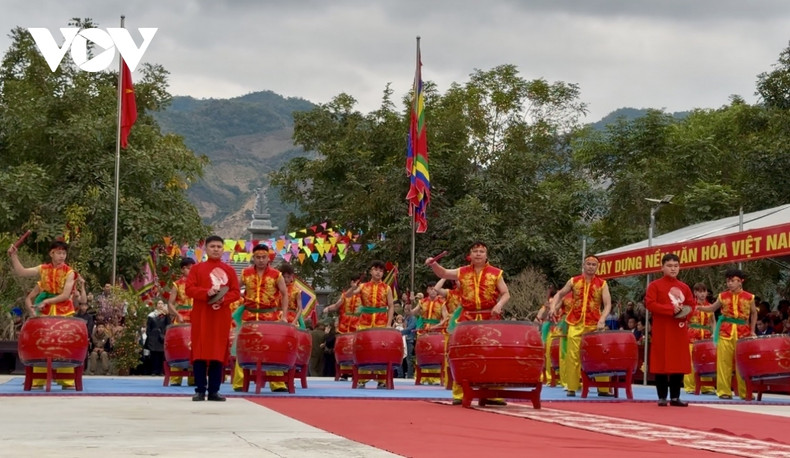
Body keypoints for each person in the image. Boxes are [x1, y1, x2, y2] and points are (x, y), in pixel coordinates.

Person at [426, 241, 510, 405]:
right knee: (462, 354)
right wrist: (433, 264)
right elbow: (443, 273)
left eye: (481, 251)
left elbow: (506, 293)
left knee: (491, 354)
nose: (478, 254)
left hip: (489, 318)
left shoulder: (496, 273)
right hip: (467, 318)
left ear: (486, 255)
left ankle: (492, 394)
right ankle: (459, 393)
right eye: (475, 251)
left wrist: (499, 305)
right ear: (470, 255)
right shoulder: (462, 272)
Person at [8, 239, 77, 388]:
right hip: (44, 311)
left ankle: (66, 379)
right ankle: (38, 379)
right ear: (51, 253)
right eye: (59, 252)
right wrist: (14, 256)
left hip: (63, 310)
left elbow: (65, 295)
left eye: (64, 253)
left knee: (63, 343)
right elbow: (22, 272)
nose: (62, 256)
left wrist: (47, 302)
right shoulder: (43, 269)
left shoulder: (70, 272)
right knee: (42, 343)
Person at [185, 235, 241, 401]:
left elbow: (236, 292)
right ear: (206, 249)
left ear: (223, 250)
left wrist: (223, 299)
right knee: (200, 352)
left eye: (219, 246)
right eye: (212, 246)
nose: (216, 249)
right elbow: (189, 289)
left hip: (220, 316)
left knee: (218, 352)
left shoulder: (229, 270)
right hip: (201, 316)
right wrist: (206, 293)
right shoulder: (197, 269)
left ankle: (214, 391)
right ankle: (200, 390)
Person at [548, 255, 612, 397]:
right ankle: (572, 387)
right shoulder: (574, 281)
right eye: (588, 264)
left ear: (597, 267)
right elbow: (559, 294)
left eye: (593, 265)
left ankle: (603, 388)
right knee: (572, 356)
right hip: (575, 323)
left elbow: (607, 304)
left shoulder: (602, 284)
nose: (590, 267)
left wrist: (602, 319)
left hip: (594, 324)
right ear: (583, 265)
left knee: (599, 355)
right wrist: (553, 307)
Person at [231, 243, 288, 392]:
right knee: (243, 348)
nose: (261, 260)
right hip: (248, 315)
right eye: (258, 257)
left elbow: (284, 294)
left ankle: (277, 383)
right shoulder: (245, 273)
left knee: (273, 348)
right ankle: (239, 382)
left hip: (270, 316)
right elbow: (234, 289)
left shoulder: (277, 275)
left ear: (268, 258)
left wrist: (285, 315)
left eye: (264, 257)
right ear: (253, 258)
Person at [696, 269, 757, 399]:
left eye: (732, 281)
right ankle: (724, 392)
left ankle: (745, 392)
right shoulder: (722, 296)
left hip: (743, 333)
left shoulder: (749, 297)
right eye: (728, 281)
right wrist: (699, 307)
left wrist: (752, 330)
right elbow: (712, 308)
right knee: (724, 362)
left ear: (740, 282)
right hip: (725, 331)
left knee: (742, 364)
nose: (729, 284)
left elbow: (754, 313)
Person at [645, 253, 696, 407]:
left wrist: (684, 314)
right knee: (661, 361)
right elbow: (650, 304)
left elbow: (691, 306)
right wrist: (670, 309)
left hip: (679, 330)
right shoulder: (654, 285)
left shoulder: (684, 287)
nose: (673, 269)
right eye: (669, 266)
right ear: (662, 267)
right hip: (662, 329)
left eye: (676, 266)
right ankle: (662, 396)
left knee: (678, 362)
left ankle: (675, 397)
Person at [346, 260, 395, 388]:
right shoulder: (362, 286)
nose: (378, 272)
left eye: (381, 271)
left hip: (381, 321)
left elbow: (391, 306)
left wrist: (389, 324)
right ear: (371, 271)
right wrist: (352, 287)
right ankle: (362, 378)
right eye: (376, 270)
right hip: (365, 322)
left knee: (381, 349)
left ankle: (382, 379)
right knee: (363, 349)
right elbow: (348, 295)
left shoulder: (387, 288)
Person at [407, 282, 444, 384]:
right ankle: (422, 376)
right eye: (430, 289)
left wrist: (436, 326)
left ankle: (436, 378)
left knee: (435, 352)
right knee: (422, 352)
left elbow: (445, 318)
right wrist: (410, 302)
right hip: (423, 330)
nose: (433, 291)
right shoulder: (422, 302)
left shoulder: (442, 302)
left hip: (436, 331)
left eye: (434, 289)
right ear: (427, 290)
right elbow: (412, 313)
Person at [167, 257, 196, 386]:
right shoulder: (177, 284)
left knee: (195, 347)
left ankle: (194, 378)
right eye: (189, 268)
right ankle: (175, 379)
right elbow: (170, 304)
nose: (191, 271)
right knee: (179, 346)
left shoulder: (198, 283)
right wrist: (177, 314)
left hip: (195, 317)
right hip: (181, 317)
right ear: (183, 269)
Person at [684, 283, 715, 395]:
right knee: (691, 363)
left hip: (705, 337)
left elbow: (713, 322)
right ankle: (690, 387)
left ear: (707, 292)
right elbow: (685, 321)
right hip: (692, 336)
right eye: (699, 292)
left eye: (704, 291)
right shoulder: (690, 305)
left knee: (705, 361)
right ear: (695, 293)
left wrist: (714, 334)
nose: (702, 294)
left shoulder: (710, 306)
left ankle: (707, 388)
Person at [145, 300, 171, 377]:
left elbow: (168, 325)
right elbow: (148, 328)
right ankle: (154, 371)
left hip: (162, 338)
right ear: (156, 305)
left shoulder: (166, 316)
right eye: (158, 303)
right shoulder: (151, 315)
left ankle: (160, 371)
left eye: (161, 303)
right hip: (153, 338)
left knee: (161, 355)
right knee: (154, 355)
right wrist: (149, 336)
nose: (160, 305)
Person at [278, 263, 305, 328]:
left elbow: (300, 309)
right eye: (284, 277)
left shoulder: (296, 291)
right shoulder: (276, 289)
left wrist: (294, 321)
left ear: (292, 277)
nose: (286, 279)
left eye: (288, 277)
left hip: (291, 319)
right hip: (277, 317)